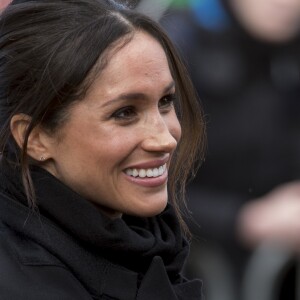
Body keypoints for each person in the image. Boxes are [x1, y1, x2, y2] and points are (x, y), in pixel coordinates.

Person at [0, 0, 206, 299]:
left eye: (165, 102)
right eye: (124, 113)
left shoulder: (145, 244)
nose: (165, 139)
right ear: (35, 138)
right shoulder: (23, 282)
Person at [161, 0, 300, 298]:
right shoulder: (177, 47)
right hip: (194, 263)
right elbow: (147, 186)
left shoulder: (291, 49)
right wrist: (246, 219)